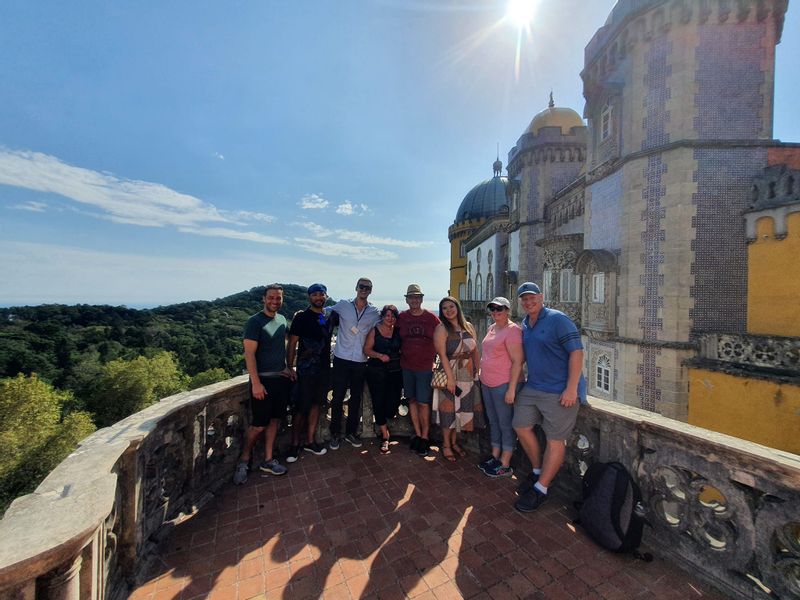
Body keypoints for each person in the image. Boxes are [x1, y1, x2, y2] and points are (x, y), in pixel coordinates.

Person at [513, 282, 586, 512]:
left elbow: (577, 351)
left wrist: (572, 388)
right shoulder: (525, 324)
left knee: (555, 440)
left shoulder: (558, 319)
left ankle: (542, 489)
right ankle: (537, 471)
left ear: (541, 297)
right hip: (534, 387)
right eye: (524, 299)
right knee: (520, 425)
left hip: (558, 390)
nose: (528, 302)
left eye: (532, 297)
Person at [233, 284, 293, 484]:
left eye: (278, 298)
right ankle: (244, 459)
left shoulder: (282, 320)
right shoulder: (254, 322)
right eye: (271, 298)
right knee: (258, 424)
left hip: (279, 379)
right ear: (263, 299)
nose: (274, 301)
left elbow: (279, 346)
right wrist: (256, 383)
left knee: (275, 420)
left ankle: (268, 459)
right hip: (263, 381)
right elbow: (249, 354)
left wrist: (285, 367)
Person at [327, 277, 381, 449]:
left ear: (371, 290)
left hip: (359, 360)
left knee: (356, 398)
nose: (364, 289)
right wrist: (302, 315)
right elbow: (325, 312)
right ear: (356, 288)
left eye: (368, 287)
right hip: (341, 358)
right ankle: (335, 433)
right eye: (362, 286)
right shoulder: (343, 305)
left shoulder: (373, 311)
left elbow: (383, 326)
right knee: (337, 398)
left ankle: (351, 432)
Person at [285, 283, 334, 462]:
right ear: (309, 297)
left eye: (321, 294)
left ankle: (310, 441)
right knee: (300, 408)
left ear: (326, 297)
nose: (318, 298)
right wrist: (290, 367)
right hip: (306, 370)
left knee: (316, 405)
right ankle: (294, 444)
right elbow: (292, 343)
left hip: (323, 369)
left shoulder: (329, 316)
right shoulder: (301, 317)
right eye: (315, 295)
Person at [477, 297, 523, 477]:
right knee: (493, 421)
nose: (496, 312)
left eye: (500, 309)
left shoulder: (512, 331)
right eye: (493, 309)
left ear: (508, 311)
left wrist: (512, 389)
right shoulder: (492, 328)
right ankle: (495, 456)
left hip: (503, 384)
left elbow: (518, 361)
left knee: (505, 423)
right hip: (487, 382)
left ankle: (505, 462)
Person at [432, 296, 482, 461]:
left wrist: (478, 371)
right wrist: (450, 379)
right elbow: (442, 356)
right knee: (448, 410)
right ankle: (446, 445)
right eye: (444, 308)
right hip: (450, 372)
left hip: (467, 375)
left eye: (451, 306)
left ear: (457, 308)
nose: (448, 310)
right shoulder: (441, 329)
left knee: (461, 410)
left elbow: (475, 351)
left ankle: (454, 442)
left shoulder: (468, 326)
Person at [397, 284, 441, 456]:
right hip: (406, 366)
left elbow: (442, 335)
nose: (414, 300)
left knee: (423, 403)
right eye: (411, 297)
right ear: (406, 300)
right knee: (412, 401)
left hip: (424, 368)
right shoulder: (401, 317)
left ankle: (425, 437)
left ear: (421, 299)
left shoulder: (431, 318)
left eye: (417, 297)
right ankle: (417, 433)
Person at [363, 305, 403, 454]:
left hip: (395, 371)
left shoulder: (398, 332)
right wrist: (380, 356)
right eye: (387, 315)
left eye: (393, 316)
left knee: (393, 402)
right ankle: (385, 434)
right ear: (382, 316)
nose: (390, 318)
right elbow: (366, 350)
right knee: (378, 401)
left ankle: (385, 422)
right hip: (376, 371)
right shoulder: (375, 330)